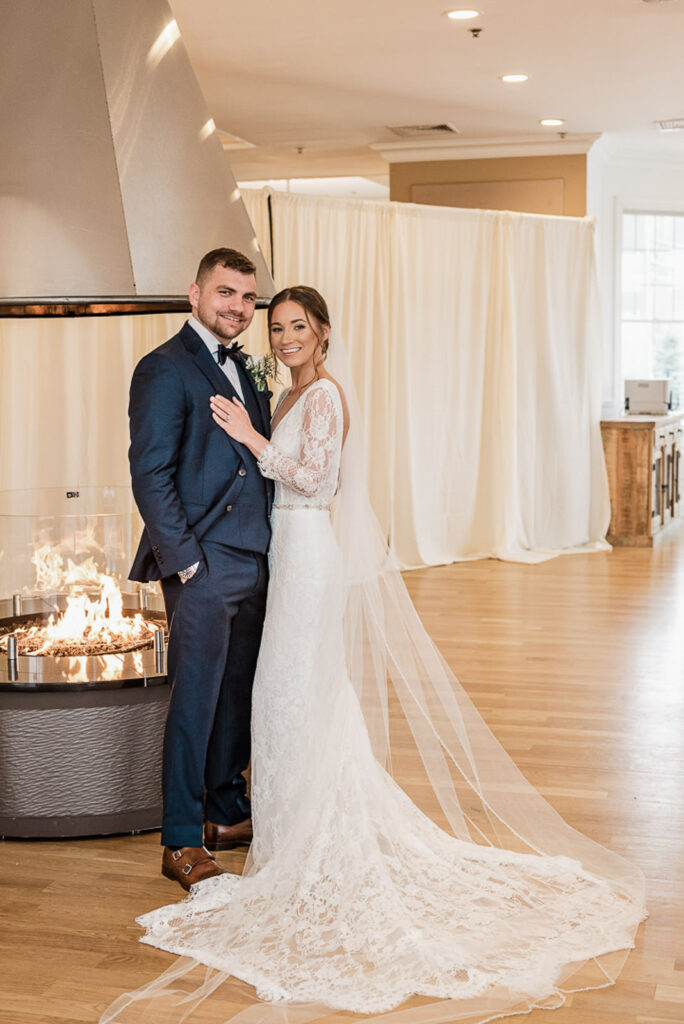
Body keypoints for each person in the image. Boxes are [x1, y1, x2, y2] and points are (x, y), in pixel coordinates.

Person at [108, 286, 645, 1024]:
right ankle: (262, 817)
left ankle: (310, 823)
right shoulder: (279, 390)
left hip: (305, 551)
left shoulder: (324, 395)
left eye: (297, 326)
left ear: (324, 332)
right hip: (268, 557)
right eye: (277, 326)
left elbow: (316, 479)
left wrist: (255, 439)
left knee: (302, 687)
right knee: (279, 690)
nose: (285, 337)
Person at [128, 248, 273, 890]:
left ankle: (225, 813)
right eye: (225, 292)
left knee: (236, 694)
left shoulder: (245, 366)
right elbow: (150, 474)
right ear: (194, 294)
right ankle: (181, 840)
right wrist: (187, 564)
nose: (237, 307)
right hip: (204, 564)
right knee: (194, 701)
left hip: (254, 558)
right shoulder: (163, 367)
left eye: (247, 297)